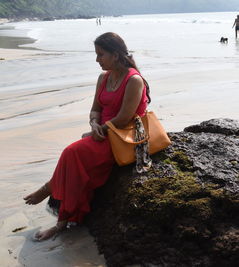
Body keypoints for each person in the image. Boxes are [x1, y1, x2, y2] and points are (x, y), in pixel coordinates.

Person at [23, 32, 151, 241]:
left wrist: (100, 129)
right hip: (103, 133)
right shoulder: (104, 77)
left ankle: (50, 192)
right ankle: (61, 218)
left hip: (123, 137)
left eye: (101, 55)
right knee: (74, 160)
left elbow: (125, 117)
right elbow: (95, 110)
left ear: (116, 55)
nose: (97, 60)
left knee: (71, 153)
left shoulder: (134, 80)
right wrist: (93, 124)